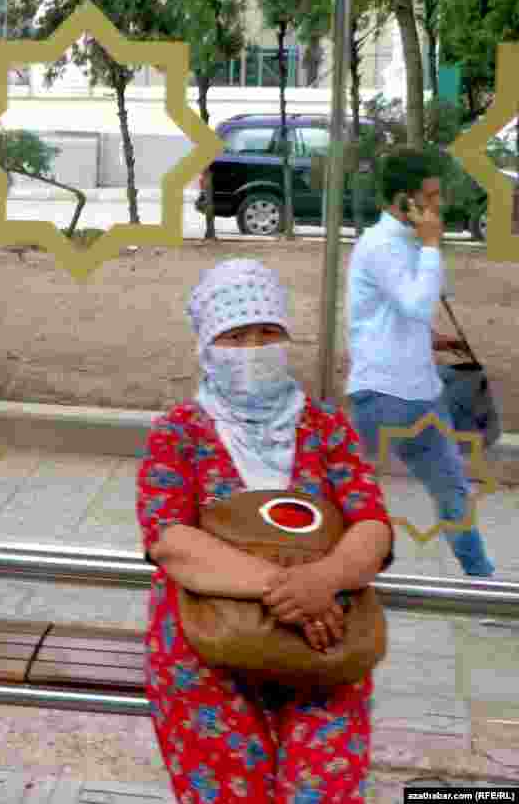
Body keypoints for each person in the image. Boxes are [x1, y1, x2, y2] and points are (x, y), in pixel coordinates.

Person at [137, 259, 393, 804]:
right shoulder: (178, 433)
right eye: (235, 336)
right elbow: (170, 539)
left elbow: (372, 524)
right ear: (207, 346)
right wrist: (293, 590)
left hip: (325, 645)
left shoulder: (327, 427)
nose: (254, 348)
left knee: (320, 791)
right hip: (208, 651)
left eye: (267, 332)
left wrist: (324, 579)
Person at [345, 147, 495, 577]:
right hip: (381, 394)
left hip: (423, 393)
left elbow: (393, 311)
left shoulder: (409, 242)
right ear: (402, 202)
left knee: (454, 493)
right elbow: (415, 302)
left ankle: (482, 582)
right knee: (354, 496)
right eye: (429, 197)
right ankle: (339, 582)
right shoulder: (380, 246)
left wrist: (431, 339)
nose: (439, 205)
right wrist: (431, 245)